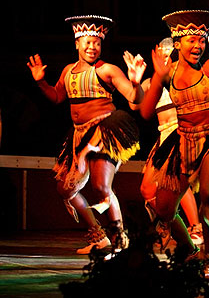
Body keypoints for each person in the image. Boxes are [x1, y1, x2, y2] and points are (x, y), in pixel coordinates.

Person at [140, 10, 209, 279]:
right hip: (183, 140)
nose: (199, 46)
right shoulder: (167, 74)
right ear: (177, 44)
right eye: (192, 40)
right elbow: (145, 112)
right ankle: (190, 251)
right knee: (163, 208)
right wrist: (156, 78)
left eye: (201, 40)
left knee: (208, 196)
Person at [27, 15, 145, 254]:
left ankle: (119, 238)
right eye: (88, 43)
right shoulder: (68, 72)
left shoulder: (107, 70)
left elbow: (135, 99)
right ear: (77, 44)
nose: (92, 47)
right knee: (65, 189)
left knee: (101, 187)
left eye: (97, 43)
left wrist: (135, 82)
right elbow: (57, 97)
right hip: (79, 135)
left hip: (105, 131)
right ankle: (98, 236)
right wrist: (41, 82)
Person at [130, 37, 205, 250]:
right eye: (162, 54)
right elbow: (135, 106)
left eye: (169, 54)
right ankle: (172, 223)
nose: (165, 58)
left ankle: (195, 228)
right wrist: (135, 82)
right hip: (163, 136)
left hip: (181, 134)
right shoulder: (152, 81)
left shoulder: (183, 77)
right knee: (147, 189)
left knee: (176, 182)